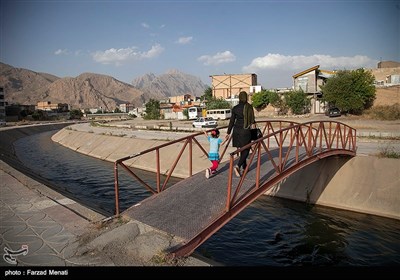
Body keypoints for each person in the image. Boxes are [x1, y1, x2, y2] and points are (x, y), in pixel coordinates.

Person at [225, 91, 255, 177]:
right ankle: (238, 166)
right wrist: (253, 136)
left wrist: (228, 132)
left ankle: (245, 167)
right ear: (246, 97)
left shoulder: (235, 108)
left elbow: (231, 121)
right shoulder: (249, 107)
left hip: (236, 131)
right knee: (247, 149)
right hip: (245, 131)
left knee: (242, 149)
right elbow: (253, 122)